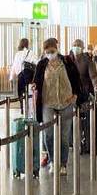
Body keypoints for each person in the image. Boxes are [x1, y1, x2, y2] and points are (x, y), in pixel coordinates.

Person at [33, 38, 82, 175]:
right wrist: (34, 86)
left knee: (64, 136)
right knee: (48, 134)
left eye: (52, 51)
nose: (50, 54)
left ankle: (63, 164)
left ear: (57, 49)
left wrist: (75, 96)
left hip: (66, 101)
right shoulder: (42, 65)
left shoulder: (67, 62)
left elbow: (76, 79)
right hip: (48, 102)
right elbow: (36, 80)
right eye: (47, 52)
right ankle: (53, 161)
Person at [9, 38, 38, 112]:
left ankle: (23, 109)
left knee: (22, 94)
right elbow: (36, 63)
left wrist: (11, 78)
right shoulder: (31, 53)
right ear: (27, 44)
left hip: (21, 77)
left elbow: (14, 67)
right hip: (30, 78)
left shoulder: (17, 54)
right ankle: (31, 113)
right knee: (30, 96)